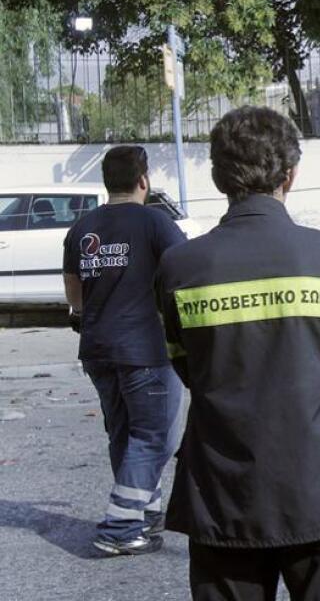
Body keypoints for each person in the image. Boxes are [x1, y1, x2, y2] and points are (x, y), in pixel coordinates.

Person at [156, 107, 320, 600]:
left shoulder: (179, 266)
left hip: (223, 496)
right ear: (290, 175)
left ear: (218, 178)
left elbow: (186, 366)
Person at [62, 145, 186, 555]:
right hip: (145, 349)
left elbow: (73, 288)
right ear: (143, 181)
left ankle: (143, 515)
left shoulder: (82, 228)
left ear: (106, 182)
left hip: (96, 348)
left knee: (124, 434)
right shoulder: (156, 222)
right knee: (154, 437)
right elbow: (182, 274)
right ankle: (118, 529)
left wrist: (82, 314)